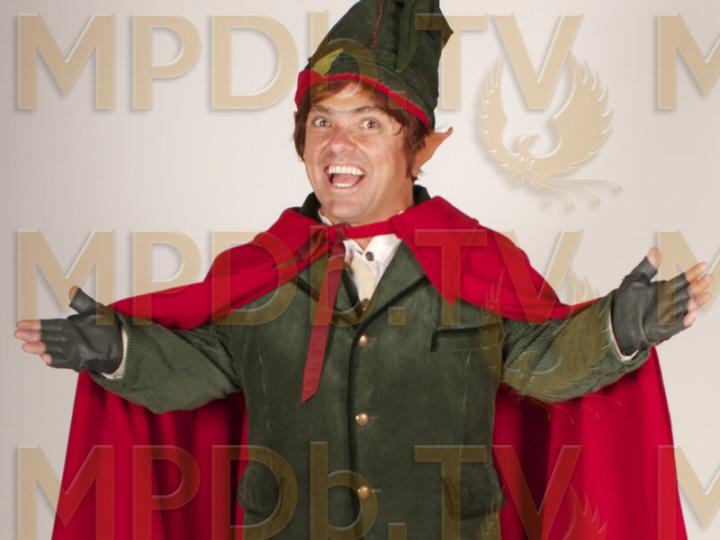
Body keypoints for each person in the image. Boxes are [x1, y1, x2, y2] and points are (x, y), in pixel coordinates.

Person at [13, 1, 713, 539]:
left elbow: (542, 364)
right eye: (322, 121)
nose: (339, 143)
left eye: (369, 123)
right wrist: (116, 350)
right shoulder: (259, 267)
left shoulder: (476, 259)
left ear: (421, 148)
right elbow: (200, 370)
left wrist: (619, 328)